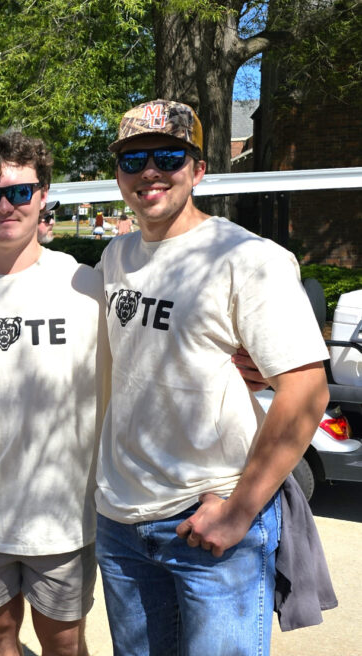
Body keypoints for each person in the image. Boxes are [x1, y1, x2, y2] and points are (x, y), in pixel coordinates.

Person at [95, 99, 329, 655]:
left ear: (199, 169)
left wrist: (238, 512)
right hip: (122, 521)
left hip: (211, 518)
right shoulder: (115, 255)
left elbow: (307, 391)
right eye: (133, 160)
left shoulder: (249, 258)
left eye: (169, 156)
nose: (150, 171)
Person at [0, 133, 107, 656]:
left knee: (65, 644)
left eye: (20, 192)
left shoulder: (87, 283)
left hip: (65, 513)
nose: (5, 205)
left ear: (44, 195)